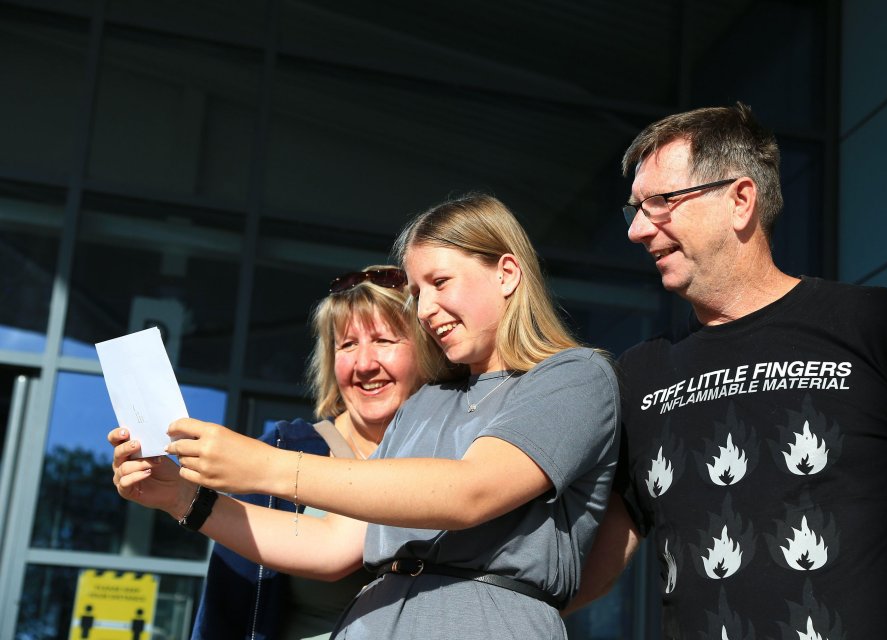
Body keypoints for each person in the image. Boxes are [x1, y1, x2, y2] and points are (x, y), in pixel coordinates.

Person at [110, 194, 620, 640]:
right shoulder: (424, 402)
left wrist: (265, 466)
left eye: (441, 282)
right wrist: (182, 497)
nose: (425, 309)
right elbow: (334, 545)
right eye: (418, 294)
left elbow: (471, 491)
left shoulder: (574, 377)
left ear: (507, 273)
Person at [571, 103, 887, 638]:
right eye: (635, 209)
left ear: (740, 200)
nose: (639, 230)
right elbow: (600, 557)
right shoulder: (641, 375)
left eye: (660, 203)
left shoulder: (878, 328)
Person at [190, 265, 433, 639]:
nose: (364, 364)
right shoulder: (281, 452)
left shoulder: (458, 448)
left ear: (426, 349)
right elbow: (224, 613)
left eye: (384, 340)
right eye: (348, 345)